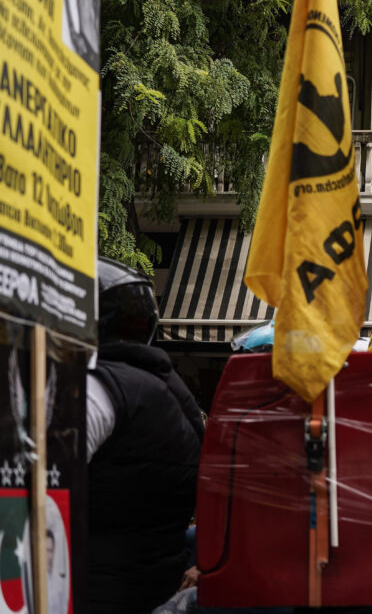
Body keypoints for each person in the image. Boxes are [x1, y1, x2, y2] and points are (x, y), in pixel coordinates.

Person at [87, 258, 205, 614]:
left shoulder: (97, 389)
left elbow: (35, 478)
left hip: (92, 593)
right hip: (154, 588)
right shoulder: (172, 391)